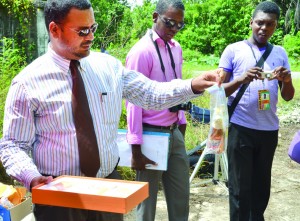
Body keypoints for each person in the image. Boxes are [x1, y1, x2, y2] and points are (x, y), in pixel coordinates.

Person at [0, 0, 223, 221]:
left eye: (93, 28)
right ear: (54, 29)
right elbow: (12, 145)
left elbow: (150, 93)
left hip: (107, 188)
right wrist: (32, 178)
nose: (91, 37)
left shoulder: (108, 67)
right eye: (82, 30)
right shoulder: (28, 83)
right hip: (58, 196)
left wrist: (192, 84)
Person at [219, 1, 295, 220]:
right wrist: (242, 79)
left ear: (276, 26)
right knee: (240, 188)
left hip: (268, 131)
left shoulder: (280, 53)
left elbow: (288, 96)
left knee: (261, 188)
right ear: (251, 22)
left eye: (269, 24)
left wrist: (287, 80)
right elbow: (218, 90)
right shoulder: (233, 50)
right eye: (260, 23)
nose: (264, 28)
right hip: (240, 128)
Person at [125, 0, 189, 220]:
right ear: (155, 17)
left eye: (179, 25)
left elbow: (178, 88)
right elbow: (133, 101)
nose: (173, 29)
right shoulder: (141, 52)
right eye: (169, 22)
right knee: (146, 202)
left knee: (180, 197)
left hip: (174, 131)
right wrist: (135, 147)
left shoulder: (176, 48)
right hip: (150, 135)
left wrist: (182, 122)